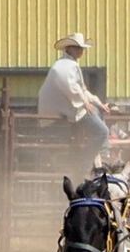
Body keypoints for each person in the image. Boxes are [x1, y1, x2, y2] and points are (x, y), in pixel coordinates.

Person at [37, 33, 112, 170]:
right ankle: (89, 160)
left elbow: (80, 90)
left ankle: (99, 157)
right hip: (68, 108)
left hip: (61, 108)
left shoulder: (64, 65)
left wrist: (98, 103)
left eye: (81, 48)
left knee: (98, 114)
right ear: (69, 49)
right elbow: (72, 89)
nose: (80, 51)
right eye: (77, 47)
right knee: (102, 132)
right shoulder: (67, 66)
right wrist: (84, 102)